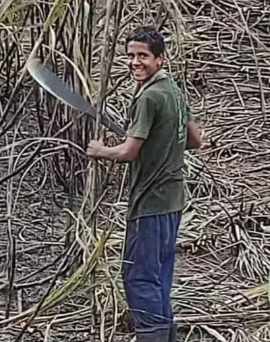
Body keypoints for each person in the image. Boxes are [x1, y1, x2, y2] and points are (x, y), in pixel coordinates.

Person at [86, 26, 202, 342]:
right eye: (131, 56)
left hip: (150, 202)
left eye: (143, 56)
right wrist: (158, 141)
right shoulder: (174, 91)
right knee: (158, 276)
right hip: (173, 201)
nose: (136, 62)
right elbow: (194, 140)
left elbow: (127, 152)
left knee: (138, 277)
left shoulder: (149, 96)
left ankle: (152, 336)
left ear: (160, 60)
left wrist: (101, 151)